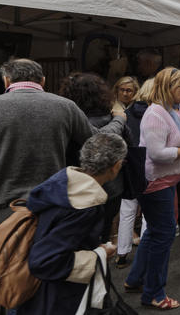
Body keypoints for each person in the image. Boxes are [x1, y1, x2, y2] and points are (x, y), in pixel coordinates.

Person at [0, 59, 98, 315]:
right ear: (43, 81)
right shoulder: (65, 107)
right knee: (26, 290)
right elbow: (95, 145)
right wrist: (118, 121)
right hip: (45, 217)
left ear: (6, 80)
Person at [18, 133, 127, 314]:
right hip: (60, 299)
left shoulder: (63, 186)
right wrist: (99, 254)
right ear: (116, 166)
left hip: (37, 294)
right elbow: (45, 261)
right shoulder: (84, 206)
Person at [124, 67, 180, 310]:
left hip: (168, 182)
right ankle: (154, 294)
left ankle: (135, 279)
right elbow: (156, 154)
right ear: (167, 88)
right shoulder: (156, 113)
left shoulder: (175, 110)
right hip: (156, 183)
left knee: (155, 232)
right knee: (163, 236)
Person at [58, 72, 130, 243]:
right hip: (111, 189)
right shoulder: (114, 118)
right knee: (103, 239)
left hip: (77, 189)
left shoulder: (67, 122)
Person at [116, 78, 155, 268]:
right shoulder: (155, 114)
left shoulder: (125, 113)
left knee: (127, 209)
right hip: (149, 161)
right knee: (148, 211)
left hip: (130, 162)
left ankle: (121, 253)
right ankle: (145, 253)